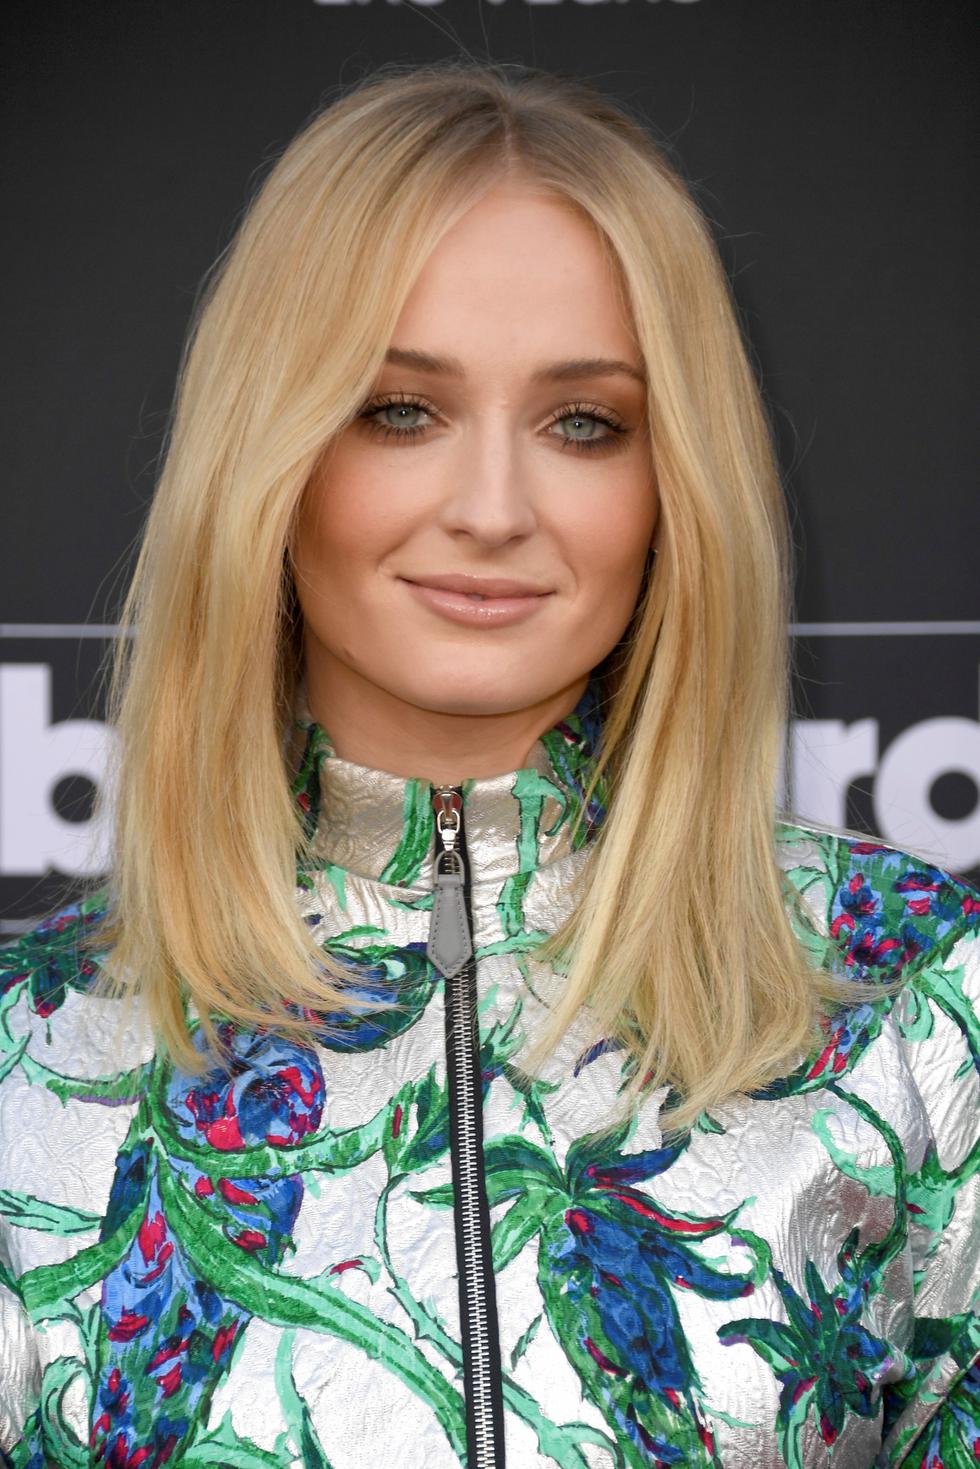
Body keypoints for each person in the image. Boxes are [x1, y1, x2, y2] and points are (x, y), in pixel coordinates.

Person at [0, 58, 977, 1469]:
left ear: (673, 482)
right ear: (271, 459)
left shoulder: (917, 1008)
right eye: (401, 409)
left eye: (584, 422)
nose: (495, 508)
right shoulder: (31, 1060)